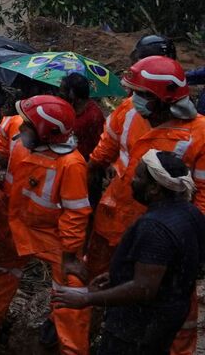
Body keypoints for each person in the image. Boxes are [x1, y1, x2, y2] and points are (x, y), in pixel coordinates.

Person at [85, 55, 205, 354]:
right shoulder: (127, 112)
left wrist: (190, 240)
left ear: (163, 99)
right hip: (113, 220)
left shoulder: (199, 134)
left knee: (172, 303)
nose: (133, 98)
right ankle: (91, 336)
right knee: (102, 283)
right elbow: (102, 153)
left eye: (141, 94)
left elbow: (202, 195)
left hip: (164, 233)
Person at [53, 151, 205, 355]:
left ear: (154, 188)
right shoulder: (190, 212)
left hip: (137, 328)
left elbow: (144, 288)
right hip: (167, 318)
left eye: (139, 176)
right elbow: (178, 264)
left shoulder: (154, 227)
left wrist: (87, 299)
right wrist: (121, 275)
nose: (132, 180)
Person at [0, 95, 92, 351]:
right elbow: (3, 138)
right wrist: (0, 165)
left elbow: (75, 214)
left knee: (70, 290)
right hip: (11, 221)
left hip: (52, 233)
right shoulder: (14, 127)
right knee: (0, 274)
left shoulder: (71, 165)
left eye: (28, 125)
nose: (21, 128)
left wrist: (69, 255)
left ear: (46, 133)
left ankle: (68, 345)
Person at [64, 74, 105, 160]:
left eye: (65, 92)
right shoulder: (70, 106)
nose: (62, 95)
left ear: (76, 97)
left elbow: (100, 144)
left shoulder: (93, 116)